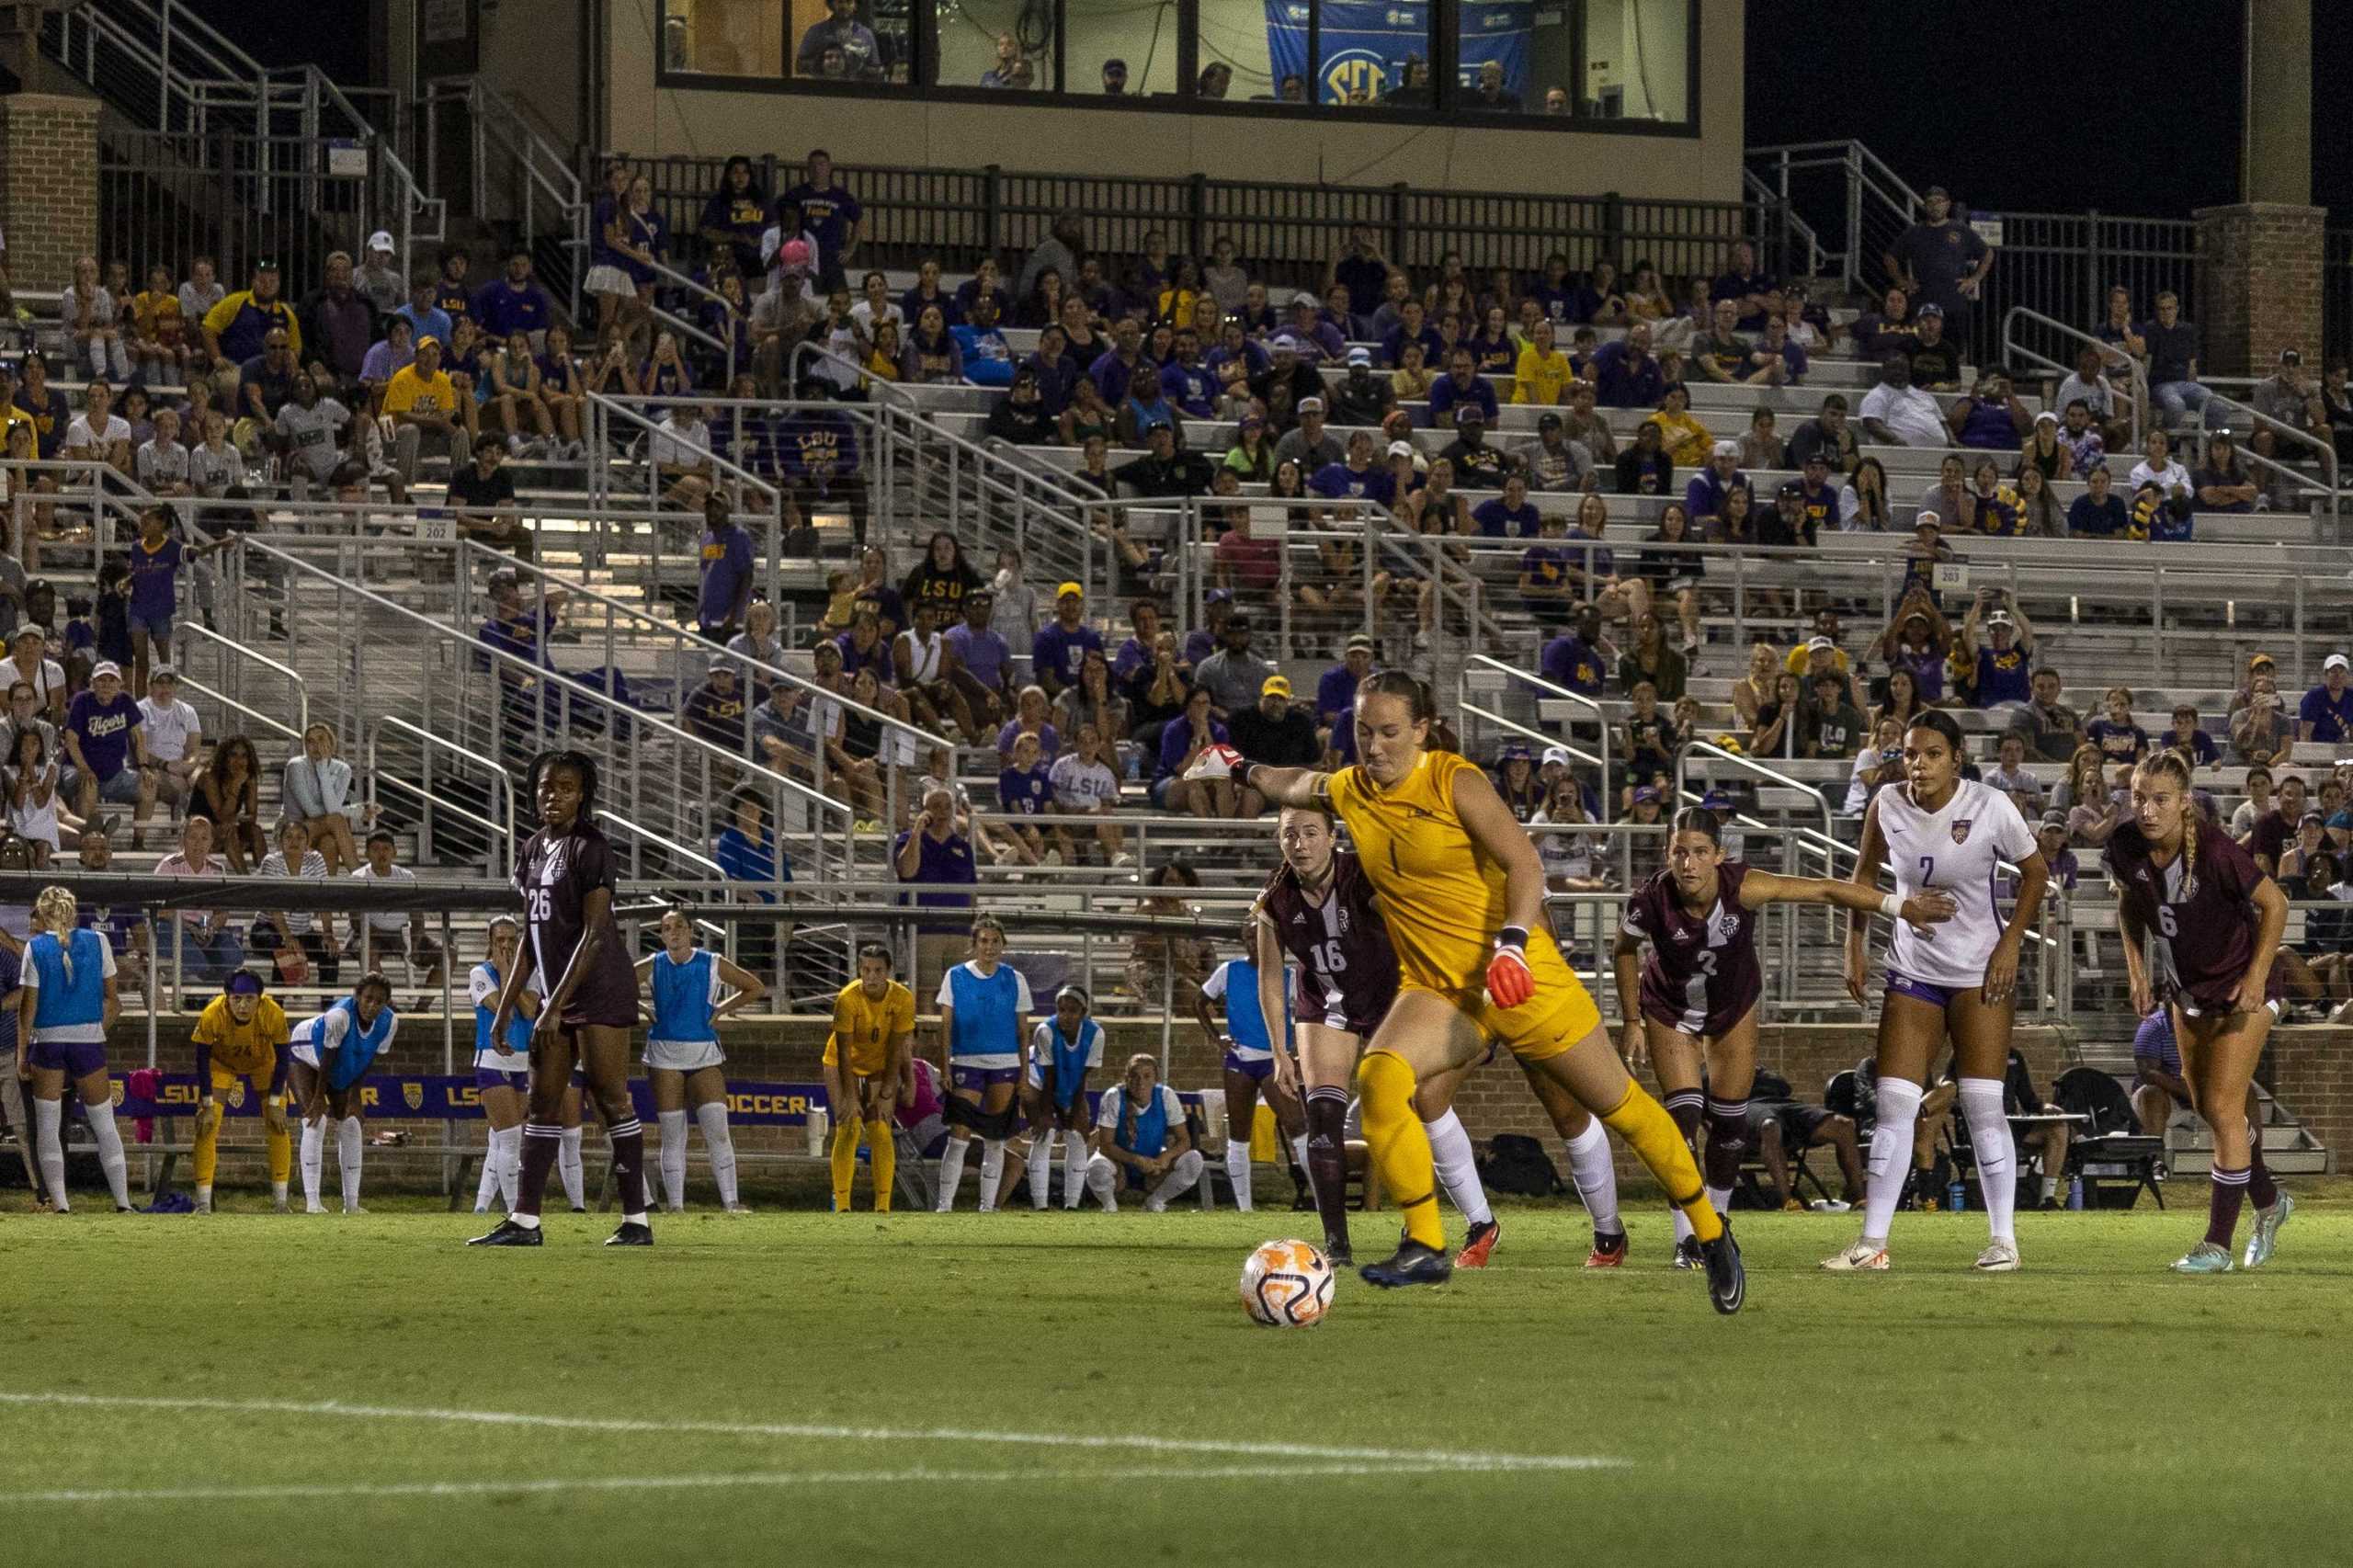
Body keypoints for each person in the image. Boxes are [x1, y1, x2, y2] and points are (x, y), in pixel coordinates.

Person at [1194, 673, 1742, 1305]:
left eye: (1390, 733)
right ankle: (1426, 1243)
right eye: (1363, 731)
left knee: (1625, 1110)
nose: (1374, 747)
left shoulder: (1456, 782)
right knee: (1381, 1078)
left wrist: (1512, 940)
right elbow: (1294, 784)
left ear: (1421, 731)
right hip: (1440, 991)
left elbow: (1526, 864)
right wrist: (1236, 767)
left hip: (1520, 978)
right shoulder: (1351, 791)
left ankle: (1711, 1232)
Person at [1827, 710, 2051, 1273]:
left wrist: (2010, 946)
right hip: (1912, 970)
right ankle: (1872, 1243)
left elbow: (2037, 873)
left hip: (1979, 972)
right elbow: (1864, 877)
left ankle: (2004, 1241)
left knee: (1981, 1104)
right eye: (1909, 754)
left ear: (1957, 757)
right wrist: (1855, 944)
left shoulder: (1990, 806)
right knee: (1896, 1104)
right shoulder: (1887, 803)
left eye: (1930, 754)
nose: (1918, 764)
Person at [2108, 751, 2293, 1272]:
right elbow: (2129, 904)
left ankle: (2217, 1245)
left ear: (2185, 803)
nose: (2146, 809)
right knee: (2212, 1109)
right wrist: (2138, 970)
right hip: (2187, 992)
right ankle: (2270, 1203)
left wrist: (2256, 977)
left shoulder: (2213, 850)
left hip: (2243, 989)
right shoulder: (2125, 845)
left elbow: (2276, 904)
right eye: (2139, 797)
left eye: (2160, 799)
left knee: (2222, 1104)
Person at [470, 752, 654, 1247]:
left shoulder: (591, 848)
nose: (554, 796)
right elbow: (530, 936)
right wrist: (508, 1005)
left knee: (611, 1097)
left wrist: (552, 1007)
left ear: (582, 794)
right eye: (547, 787)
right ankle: (525, 1220)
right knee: (544, 1104)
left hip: (600, 989)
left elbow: (594, 934)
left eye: (566, 788)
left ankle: (636, 1219)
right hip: (556, 991)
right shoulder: (530, 849)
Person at [636, 908, 763, 1215]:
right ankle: (676, 1207)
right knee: (672, 1133)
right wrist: (642, 1007)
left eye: (679, 926)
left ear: (690, 931)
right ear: (662, 935)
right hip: (664, 1054)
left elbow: (755, 987)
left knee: (717, 1127)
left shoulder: (711, 962)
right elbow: (613, 986)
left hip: (704, 1052)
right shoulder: (654, 964)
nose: (673, 932)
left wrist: (720, 1009)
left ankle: (731, 1202)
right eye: (666, 928)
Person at [17, 885, 130, 1213]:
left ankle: (61, 1205)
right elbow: (113, 1001)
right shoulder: (98, 941)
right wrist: (96, 1032)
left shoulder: (34, 948)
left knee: (48, 1127)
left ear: (42, 913)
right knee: (105, 1124)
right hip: (88, 1041)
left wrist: (21, 1055)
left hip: (48, 1041)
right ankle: (123, 1202)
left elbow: (28, 1009)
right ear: (73, 911)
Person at [1195, 937, 1303, 1215]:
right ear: (1245, 942)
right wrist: (1215, 1038)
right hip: (1240, 1060)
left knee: (1297, 1126)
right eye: (1251, 937)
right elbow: (1200, 1001)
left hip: (1274, 1060)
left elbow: (1306, 1014)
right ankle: (1244, 1208)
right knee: (1239, 1134)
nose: (1258, 943)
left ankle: (1321, 1202)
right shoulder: (1229, 971)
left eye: (1262, 936)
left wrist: (1299, 1051)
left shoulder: (1288, 976)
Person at [933, 914, 1032, 1212]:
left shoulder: (1015, 979)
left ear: (1003, 945)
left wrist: (1024, 1076)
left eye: (995, 941)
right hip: (966, 1061)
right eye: (984, 941)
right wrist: (946, 1066)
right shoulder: (955, 976)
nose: (989, 947)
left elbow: (1023, 1031)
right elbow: (946, 1026)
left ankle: (987, 1207)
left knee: (995, 1136)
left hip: (1005, 1063)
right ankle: (944, 1206)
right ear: (974, 944)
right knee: (959, 1135)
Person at [284, 973, 397, 1215]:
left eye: (379, 1001)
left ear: (386, 1003)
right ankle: (313, 1203)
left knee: (353, 1124)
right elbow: (327, 1060)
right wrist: (317, 1100)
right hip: (306, 1055)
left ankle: (352, 1204)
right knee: (316, 1120)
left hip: (341, 1064)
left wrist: (355, 1098)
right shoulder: (340, 1016)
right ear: (357, 997)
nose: (372, 1006)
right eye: (367, 999)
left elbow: (365, 1060)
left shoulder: (389, 1022)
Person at [188, 970, 292, 1213]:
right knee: (206, 1126)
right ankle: (203, 1203)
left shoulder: (273, 1013)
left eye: (249, 998)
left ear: (260, 998)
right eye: (237, 999)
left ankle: (281, 1203)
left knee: (278, 1125)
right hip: (221, 1064)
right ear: (227, 998)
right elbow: (201, 1060)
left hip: (263, 1064)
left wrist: (276, 1103)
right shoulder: (213, 1013)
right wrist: (206, 1104)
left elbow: (284, 1060)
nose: (243, 1005)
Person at [825, 943, 915, 1212]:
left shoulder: (902, 998)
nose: (871, 976)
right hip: (841, 1064)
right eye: (866, 969)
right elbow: (843, 1052)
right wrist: (851, 1097)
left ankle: (883, 1206)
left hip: (879, 1064)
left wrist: (889, 1090)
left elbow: (897, 1047)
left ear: (889, 971)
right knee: (849, 1125)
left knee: (880, 1128)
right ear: (859, 970)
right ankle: (842, 1206)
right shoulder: (847, 998)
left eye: (878, 970)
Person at [465, 917, 541, 1216]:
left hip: (522, 1062)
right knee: (511, 1136)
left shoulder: (531, 975)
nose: (506, 946)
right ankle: (515, 1210)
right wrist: (506, 973)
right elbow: (503, 1010)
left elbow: (530, 1009)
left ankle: (482, 1205)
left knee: (500, 1138)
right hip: (492, 1060)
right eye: (500, 940)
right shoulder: (479, 973)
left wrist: (511, 972)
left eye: (512, 940)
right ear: (490, 941)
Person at [1082, 1052, 1203, 1212]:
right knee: (1096, 1166)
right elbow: (1105, 1145)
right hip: (1119, 1167)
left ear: (1156, 1079)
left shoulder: (1166, 1095)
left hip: (1153, 1168)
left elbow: (1184, 1140)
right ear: (1126, 1078)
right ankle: (1109, 1206)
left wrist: (1166, 1156)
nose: (1141, 1083)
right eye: (1135, 1076)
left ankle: (1156, 1201)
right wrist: (1135, 1160)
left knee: (1194, 1160)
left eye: (1147, 1076)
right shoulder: (1114, 1096)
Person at [1018, 983, 1103, 1211]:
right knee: (1044, 1134)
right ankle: (1040, 1204)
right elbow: (1049, 1076)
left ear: (1084, 1013)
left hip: (1071, 1080)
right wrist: (1047, 1114)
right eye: (1061, 1009)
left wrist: (1072, 1113)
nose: (1065, 1016)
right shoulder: (1045, 1031)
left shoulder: (1095, 1034)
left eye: (1072, 1011)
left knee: (1077, 1135)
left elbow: (1083, 1077)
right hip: (1039, 1078)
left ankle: (1072, 1204)